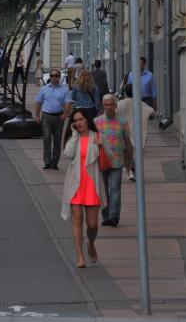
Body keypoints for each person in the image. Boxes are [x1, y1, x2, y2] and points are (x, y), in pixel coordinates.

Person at [61, 108, 110, 268]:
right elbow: (67, 154)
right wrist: (74, 136)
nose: (78, 123)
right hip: (75, 183)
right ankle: (80, 256)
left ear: (87, 120)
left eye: (81, 119)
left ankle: (90, 244)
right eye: (75, 121)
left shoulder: (96, 136)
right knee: (76, 220)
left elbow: (110, 156)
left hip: (91, 183)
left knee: (93, 224)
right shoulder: (73, 138)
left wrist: (103, 145)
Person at [95, 94, 133, 227]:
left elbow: (127, 142)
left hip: (117, 161)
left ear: (115, 106)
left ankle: (114, 216)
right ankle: (106, 216)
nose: (109, 107)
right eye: (106, 105)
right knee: (103, 190)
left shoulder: (122, 122)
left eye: (111, 105)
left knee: (115, 188)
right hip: (101, 162)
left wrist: (131, 160)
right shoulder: (96, 121)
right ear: (103, 106)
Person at [35, 68, 71, 170]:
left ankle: (54, 163)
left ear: (59, 77)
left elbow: (68, 103)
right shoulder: (44, 89)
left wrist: (65, 113)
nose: (54, 78)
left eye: (56, 76)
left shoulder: (64, 89)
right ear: (50, 77)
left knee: (57, 140)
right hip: (46, 116)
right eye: (52, 76)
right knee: (46, 138)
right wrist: (37, 115)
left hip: (59, 117)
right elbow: (38, 102)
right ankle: (47, 162)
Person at [116, 83, 153, 180]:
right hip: (138, 132)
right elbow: (151, 110)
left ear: (125, 92)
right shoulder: (140, 103)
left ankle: (128, 172)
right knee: (136, 154)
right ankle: (134, 170)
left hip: (124, 133)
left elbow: (114, 114)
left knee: (126, 154)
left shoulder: (120, 104)